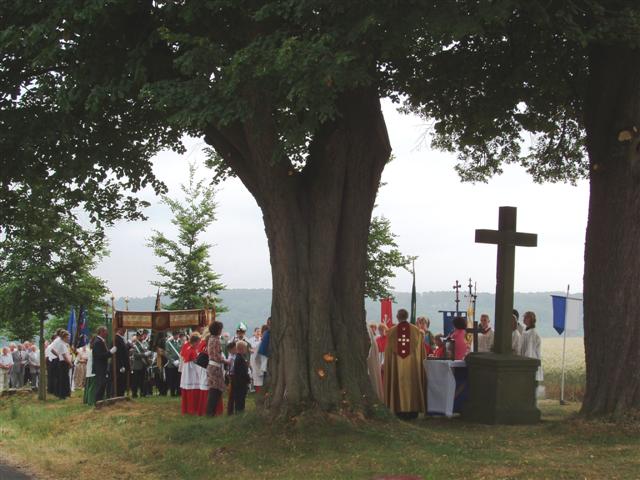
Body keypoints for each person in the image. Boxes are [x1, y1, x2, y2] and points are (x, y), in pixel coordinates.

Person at [383, 308, 426, 419]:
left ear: (397, 317)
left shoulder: (391, 332)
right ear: (407, 316)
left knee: (398, 381)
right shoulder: (416, 331)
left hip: (397, 367)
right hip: (412, 366)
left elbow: (388, 353)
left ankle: (398, 409)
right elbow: (421, 352)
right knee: (412, 382)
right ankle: (413, 410)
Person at [180, 332, 208, 416]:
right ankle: (193, 408)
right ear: (195, 342)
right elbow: (195, 363)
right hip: (192, 372)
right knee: (194, 388)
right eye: (198, 342)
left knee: (189, 388)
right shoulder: (192, 351)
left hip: (187, 372)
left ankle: (188, 408)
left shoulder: (187, 347)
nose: (199, 344)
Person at [206, 321, 226, 416]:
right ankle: (210, 412)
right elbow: (216, 355)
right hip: (215, 367)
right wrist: (225, 361)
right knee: (215, 390)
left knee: (215, 390)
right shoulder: (216, 340)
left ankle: (211, 411)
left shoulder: (211, 338)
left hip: (213, 366)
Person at [93, 326, 117, 402]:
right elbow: (100, 356)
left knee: (103, 385)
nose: (107, 333)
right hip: (100, 367)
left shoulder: (101, 341)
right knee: (100, 385)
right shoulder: (98, 342)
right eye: (106, 331)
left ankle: (100, 401)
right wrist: (110, 352)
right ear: (101, 332)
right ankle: (98, 402)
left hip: (103, 366)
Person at [520, 311, 543, 383]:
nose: (524, 319)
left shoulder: (532, 333)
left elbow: (529, 351)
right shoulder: (525, 331)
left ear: (531, 319)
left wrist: (526, 365)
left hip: (530, 365)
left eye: (526, 317)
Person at [230, 341, 251, 414]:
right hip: (240, 382)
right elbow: (243, 372)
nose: (246, 350)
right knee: (240, 398)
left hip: (238, 382)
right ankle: (240, 412)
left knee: (240, 398)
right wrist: (248, 379)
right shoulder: (240, 358)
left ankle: (239, 411)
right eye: (245, 348)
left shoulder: (239, 357)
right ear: (242, 348)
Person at [131, 331, 153, 398]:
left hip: (144, 364)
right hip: (137, 365)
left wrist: (149, 354)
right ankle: (134, 394)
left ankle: (143, 393)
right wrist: (144, 354)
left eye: (142, 335)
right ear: (137, 337)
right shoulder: (134, 345)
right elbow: (135, 355)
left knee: (143, 380)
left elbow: (147, 352)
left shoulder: (144, 344)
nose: (141, 337)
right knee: (135, 381)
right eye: (140, 336)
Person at [53, 331, 73, 399]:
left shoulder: (65, 344)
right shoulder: (62, 344)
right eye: (67, 337)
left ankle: (66, 393)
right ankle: (62, 395)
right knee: (63, 379)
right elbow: (64, 356)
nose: (68, 338)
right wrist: (70, 363)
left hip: (64, 362)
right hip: (63, 362)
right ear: (64, 337)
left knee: (65, 378)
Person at [165, 330, 183, 397]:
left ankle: (179, 391)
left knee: (179, 379)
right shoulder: (169, 343)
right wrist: (173, 361)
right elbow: (167, 353)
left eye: (177, 334)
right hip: (171, 364)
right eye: (175, 334)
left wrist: (179, 360)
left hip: (179, 363)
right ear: (173, 335)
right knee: (172, 379)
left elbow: (183, 352)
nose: (176, 336)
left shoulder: (181, 342)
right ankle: (172, 392)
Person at [114, 327, 130, 397]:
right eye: (123, 329)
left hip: (124, 364)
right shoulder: (117, 339)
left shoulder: (121, 339)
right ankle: (119, 396)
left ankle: (121, 395)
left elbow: (123, 351)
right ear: (119, 330)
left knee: (123, 382)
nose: (125, 331)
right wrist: (121, 366)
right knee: (120, 382)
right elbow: (118, 354)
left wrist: (128, 347)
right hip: (120, 365)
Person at [83, 338, 96, 406]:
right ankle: (90, 401)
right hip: (92, 371)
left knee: (89, 387)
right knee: (92, 387)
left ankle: (87, 399)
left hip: (89, 371)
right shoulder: (93, 351)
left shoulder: (90, 350)